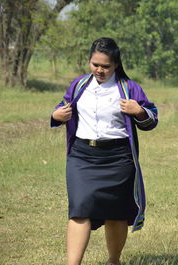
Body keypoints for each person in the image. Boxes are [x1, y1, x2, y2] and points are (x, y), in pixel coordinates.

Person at [51, 37, 158, 265]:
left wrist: (138, 111)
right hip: (82, 156)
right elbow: (62, 106)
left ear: (116, 65)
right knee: (79, 208)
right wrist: (56, 115)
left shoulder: (129, 88)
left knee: (116, 213)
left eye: (105, 66)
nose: (99, 70)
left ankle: (113, 260)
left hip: (118, 159)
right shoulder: (79, 85)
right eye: (95, 64)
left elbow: (151, 119)